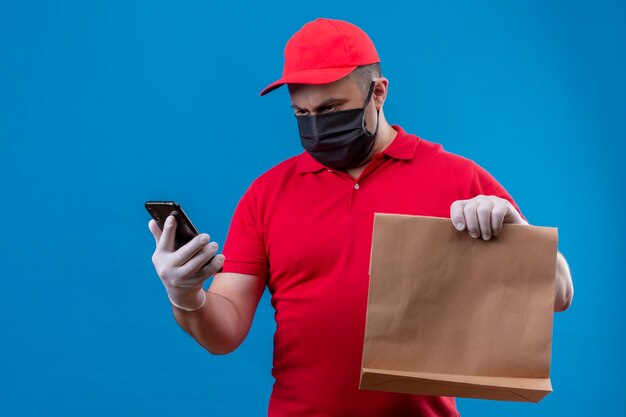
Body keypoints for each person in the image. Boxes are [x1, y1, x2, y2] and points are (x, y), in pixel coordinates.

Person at [148, 17, 574, 417]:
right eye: (302, 114)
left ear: (379, 92)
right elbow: (224, 333)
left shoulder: (457, 179)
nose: (315, 127)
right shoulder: (266, 194)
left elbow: (560, 296)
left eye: (331, 110)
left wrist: (518, 239)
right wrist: (185, 296)